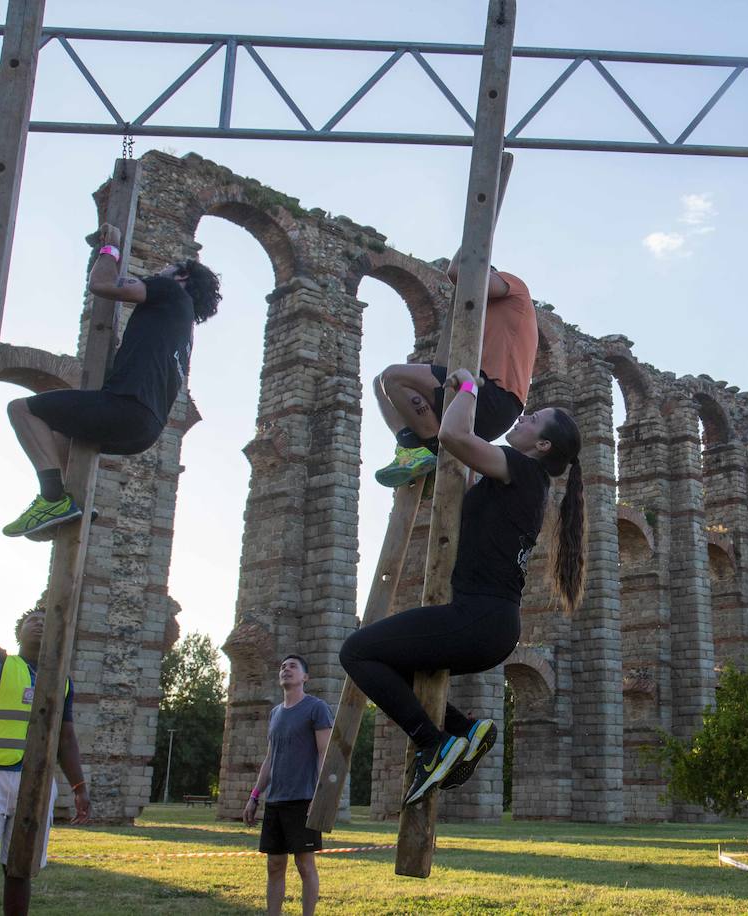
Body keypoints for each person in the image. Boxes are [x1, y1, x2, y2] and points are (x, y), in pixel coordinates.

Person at [340, 368, 584, 805]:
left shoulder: (525, 472)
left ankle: (434, 744)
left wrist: (469, 386)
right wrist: (415, 424)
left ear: (542, 445)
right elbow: (453, 458)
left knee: (356, 652)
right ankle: (463, 729)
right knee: (398, 664)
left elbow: (455, 436)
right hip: (488, 624)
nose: (523, 417)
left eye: (533, 419)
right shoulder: (513, 480)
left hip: (478, 619)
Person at [3, 223, 221, 538]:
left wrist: (111, 249)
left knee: (21, 409)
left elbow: (102, 284)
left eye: (168, 267)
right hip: (145, 431)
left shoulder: (169, 290)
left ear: (182, 276)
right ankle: (71, 502)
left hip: (125, 408)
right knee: (62, 436)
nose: (161, 270)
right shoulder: (183, 328)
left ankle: (52, 499)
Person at [0, 534, 91, 916]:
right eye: (31, 620)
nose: (39, 624)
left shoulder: (62, 680)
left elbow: (67, 738)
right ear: (18, 633)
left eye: (45, 619)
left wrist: (78, 786)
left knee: (20, 870)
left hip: (36, 782)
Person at [372, 260, 536, 487]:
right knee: (380, 384)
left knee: (392, 377)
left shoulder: (515, 286)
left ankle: (430, 452)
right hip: (471, 393)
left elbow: (459, 272)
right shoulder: (484, 317)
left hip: (494, 398)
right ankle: (411, 449)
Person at [243, 654, 333, 916]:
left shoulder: (317, 708)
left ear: (305, 677)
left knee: (305, 865)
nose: (286, 669)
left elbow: (324, 754)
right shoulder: (275, 713)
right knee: (274, 864)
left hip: (304, 799)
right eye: (283, 666)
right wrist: (254, 796)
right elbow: (270, 758)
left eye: (293, 666)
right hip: (275, 801)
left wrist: (320, 795)